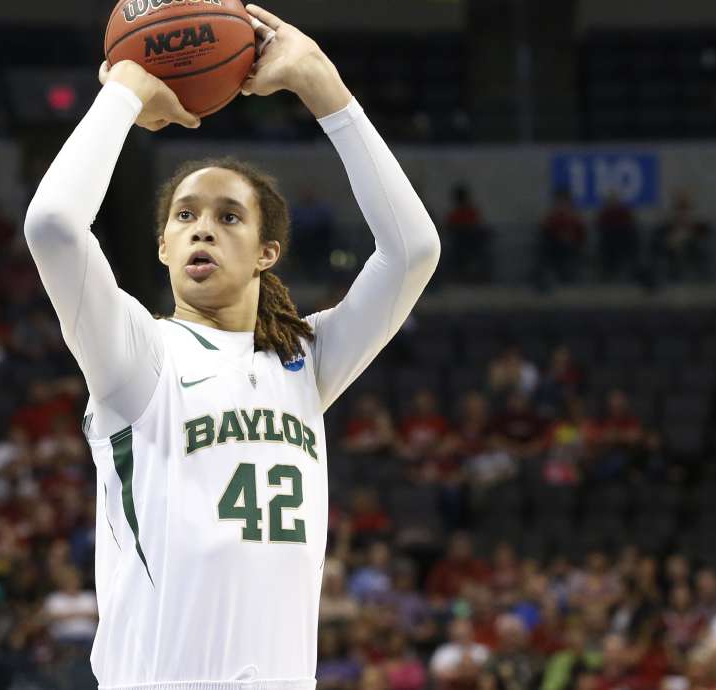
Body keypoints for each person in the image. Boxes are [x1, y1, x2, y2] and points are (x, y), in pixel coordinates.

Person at [22, 5, 440, 690]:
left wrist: (322, 86)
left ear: (266, 253)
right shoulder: (138, 357)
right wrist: (124, 88)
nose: (202, 229)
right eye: (184, 216)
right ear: (162, 248)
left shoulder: (305, 362)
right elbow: (53, 226)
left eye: (227, 216)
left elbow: (414, 250)